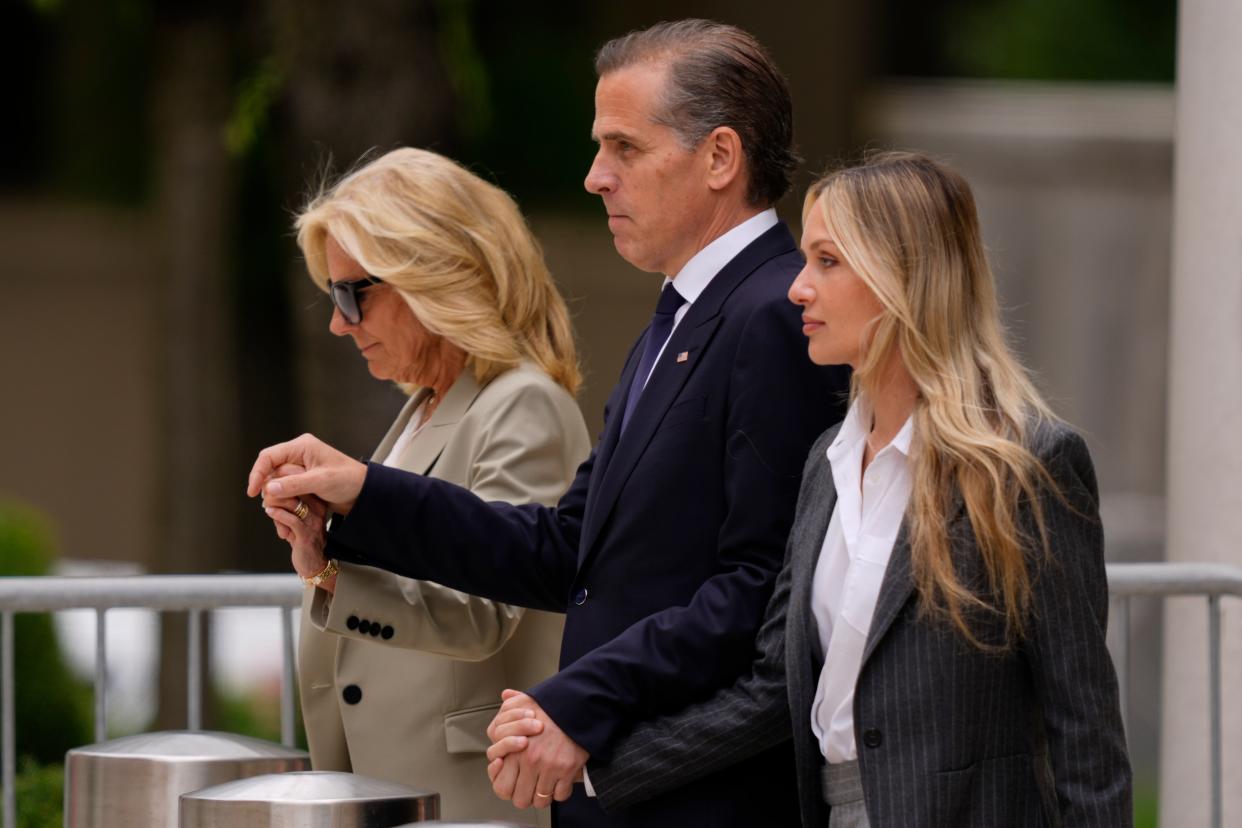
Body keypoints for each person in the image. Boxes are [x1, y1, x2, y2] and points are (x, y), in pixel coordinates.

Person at [250, 20, 850, 828]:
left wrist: (576, 703)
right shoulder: (681, 319)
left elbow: (759, 589)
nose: (595, 176)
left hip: (699, 796)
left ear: (718, 158)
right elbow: (563, 550)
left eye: (623, 148)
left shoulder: (773, 313)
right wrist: (363, 497)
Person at [490, 152, 1134, 827]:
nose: (797, 288)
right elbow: (775, 692)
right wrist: (591, 760)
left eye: (827, 262)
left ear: (904, 279)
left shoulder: (1028, 466)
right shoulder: (826, 462)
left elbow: (1085, 737)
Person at [260, 146, 591, 825]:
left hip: (470, 800)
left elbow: (482, 612)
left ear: (437, 276)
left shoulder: (523, 403)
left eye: (354, 293)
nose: (337, 322)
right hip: (405, 790)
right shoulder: (429, 404)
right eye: (332, 295)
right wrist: (323, 565)